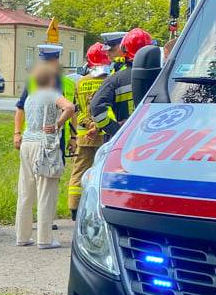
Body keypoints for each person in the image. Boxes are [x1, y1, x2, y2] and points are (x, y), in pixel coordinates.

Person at [16, 64, 75, 249]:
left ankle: (22, 236)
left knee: (26, 191)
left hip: (27, 144)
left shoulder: (30, 98)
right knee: (46, 192)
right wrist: (58, 124)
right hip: (45, 145)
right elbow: (70, 107)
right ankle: (44, 238)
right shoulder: (52, 94)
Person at [67, 42, 111, 220]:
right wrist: (98, 126)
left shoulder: (81, 82)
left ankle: (74, 208)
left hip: (84, 134)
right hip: (104, 134)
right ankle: (100, 209)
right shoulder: (110, 80)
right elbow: (108, 109)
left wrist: (88, 125)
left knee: (78, 171)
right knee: (104, 172)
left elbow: (79, 109)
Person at [89, 28, 153, 138]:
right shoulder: (166, 75)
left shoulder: (115, 79)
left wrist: (117, 131)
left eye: (111, 49)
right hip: (158, 139)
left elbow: (96, 108)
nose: (107, 53)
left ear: (123, 49)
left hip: (127, 141)